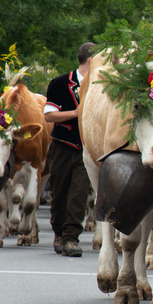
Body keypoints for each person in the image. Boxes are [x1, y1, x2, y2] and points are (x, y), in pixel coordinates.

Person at [43, 42, 94, 257]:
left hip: (86, 148)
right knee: (59, 191)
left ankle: (72, 237)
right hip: (62, 145)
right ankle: (58, 233)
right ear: (91, 61)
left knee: (79, 194)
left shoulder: (100, 86)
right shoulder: (60, 83)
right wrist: (76, 113)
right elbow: (48, 115)